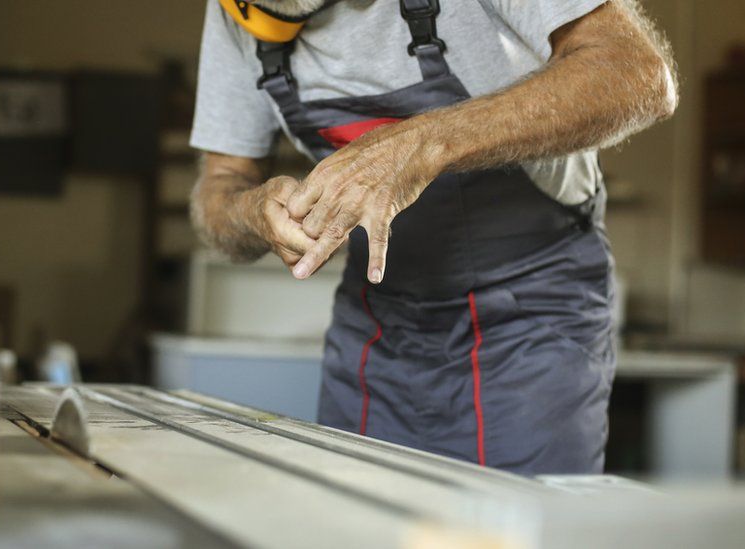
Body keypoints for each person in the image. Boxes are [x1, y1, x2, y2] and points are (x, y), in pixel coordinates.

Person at [189, 0, 677, 475]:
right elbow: (217, 192)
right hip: (375, 327)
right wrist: (250, 212)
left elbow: (638, 73)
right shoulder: (238, 13)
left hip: (528, 316)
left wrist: (424, 141)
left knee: (517, 527)